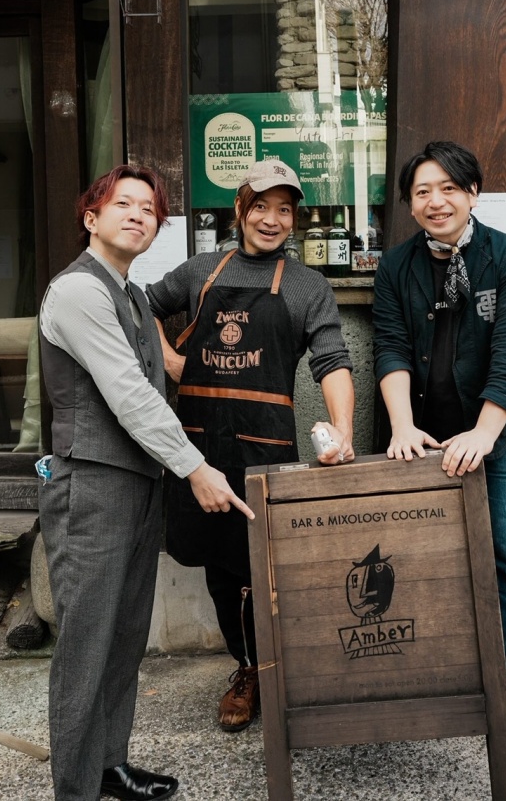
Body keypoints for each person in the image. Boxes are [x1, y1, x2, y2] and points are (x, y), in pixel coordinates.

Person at [38, 164, 253, 801]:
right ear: (90, 216)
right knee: (86, 644)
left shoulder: (131, 295)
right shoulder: (78, 291)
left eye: (149, 209)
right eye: (122, 204)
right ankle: (75, 788)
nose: (137, 215)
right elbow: (130, 394)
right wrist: (195, 466)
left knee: (125, 635)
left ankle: (110, 767)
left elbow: (163, 377)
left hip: (135, 484)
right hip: (90, 485)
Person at [147, 158, 355, 733]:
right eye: (260, 206)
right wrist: (169, 359)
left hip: (265, 450)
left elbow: (332, 359)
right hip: (200, 447)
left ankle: (279, 666)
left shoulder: (308, 285)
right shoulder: (200, 271)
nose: (271, 219)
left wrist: (343, 430)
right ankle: (246, 668)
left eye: (284, 210)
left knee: (265, 564)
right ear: (240, 209)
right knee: (220, 566)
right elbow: (140, 303)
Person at [372, 140, 506, 769]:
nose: (436, 201)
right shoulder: (396, 266)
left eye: (449, 187)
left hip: (499, 434)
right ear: (409, 203)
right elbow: (390, 346)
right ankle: (436, 673)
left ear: (472, 193)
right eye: (422, 191)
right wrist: (401, 425)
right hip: (423, 436)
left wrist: (484, 431)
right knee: (418, 560)